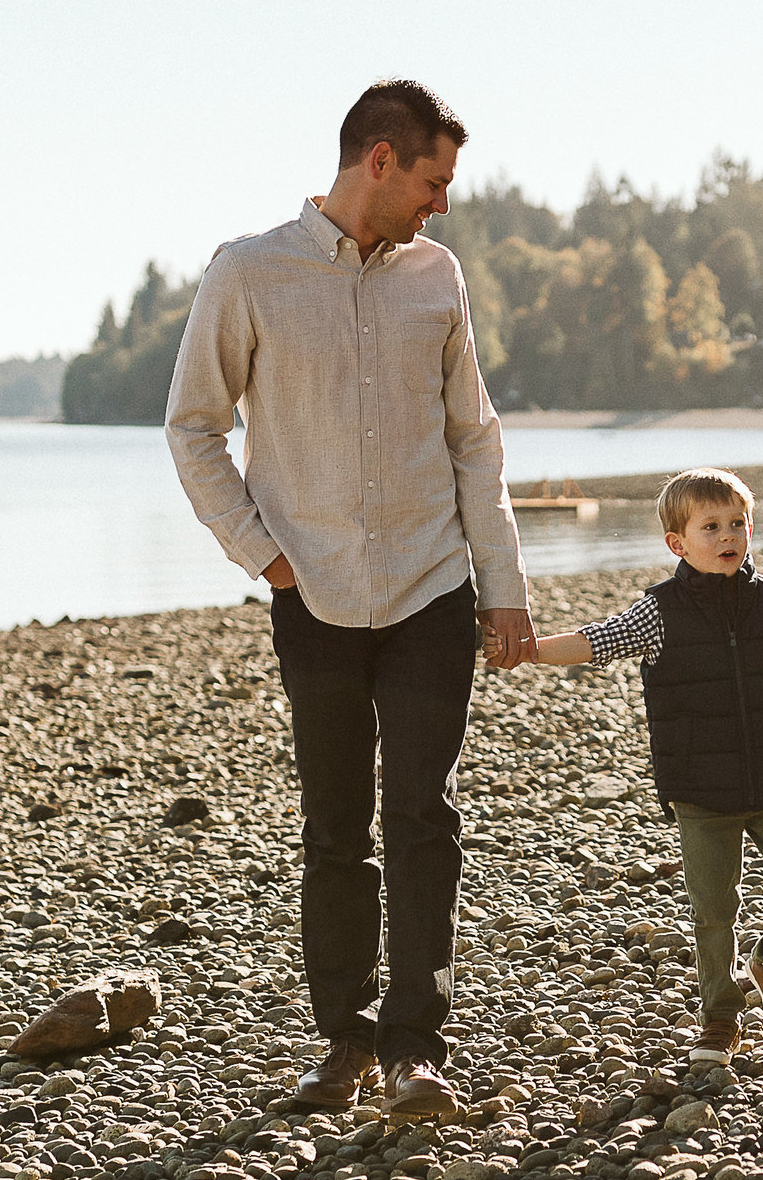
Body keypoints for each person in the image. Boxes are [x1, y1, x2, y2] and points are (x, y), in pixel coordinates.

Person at [166, 79, 534, 1120]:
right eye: (432, 178)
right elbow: (193, 426)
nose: (443, 202)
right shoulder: (249, 273)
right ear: (379, 159)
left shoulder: (438, 277)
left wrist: (501, 587)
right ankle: (346, 1044)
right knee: (335, 827)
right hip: (312, 594)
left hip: (430, 588)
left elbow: (474, 437)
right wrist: (264, 554)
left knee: (424, 816)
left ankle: (418, 1049)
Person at [503, 468, 763, 1067]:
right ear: (678, 543)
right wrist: (529, 649)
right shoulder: (660, 613)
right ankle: (720, 1018)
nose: (729, 535)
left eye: (738, 523)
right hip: (700, 790)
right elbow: (597, 641)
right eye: (712, 527)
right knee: (714, 908)